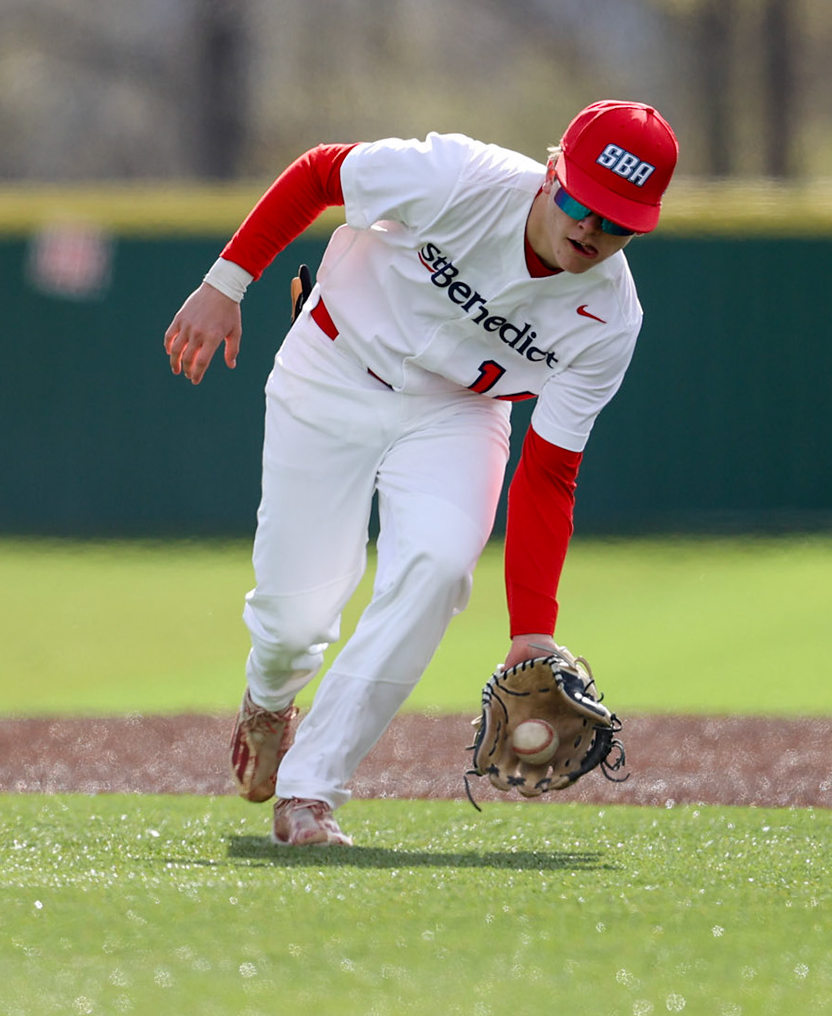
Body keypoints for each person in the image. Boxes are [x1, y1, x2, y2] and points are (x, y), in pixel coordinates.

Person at [162, 101, 677, 846]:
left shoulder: (610, 319)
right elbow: (320, 173)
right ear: (552, 172)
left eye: (620, 222)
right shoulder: (461, 177)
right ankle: (269, 698)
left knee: (438, 568)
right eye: (581, 202)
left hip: (459, 412)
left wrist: (533, 632)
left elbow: (550, 473)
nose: (593, 230)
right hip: (335, 363)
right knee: (293, 619)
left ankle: (311, 789)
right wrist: (226, 282)